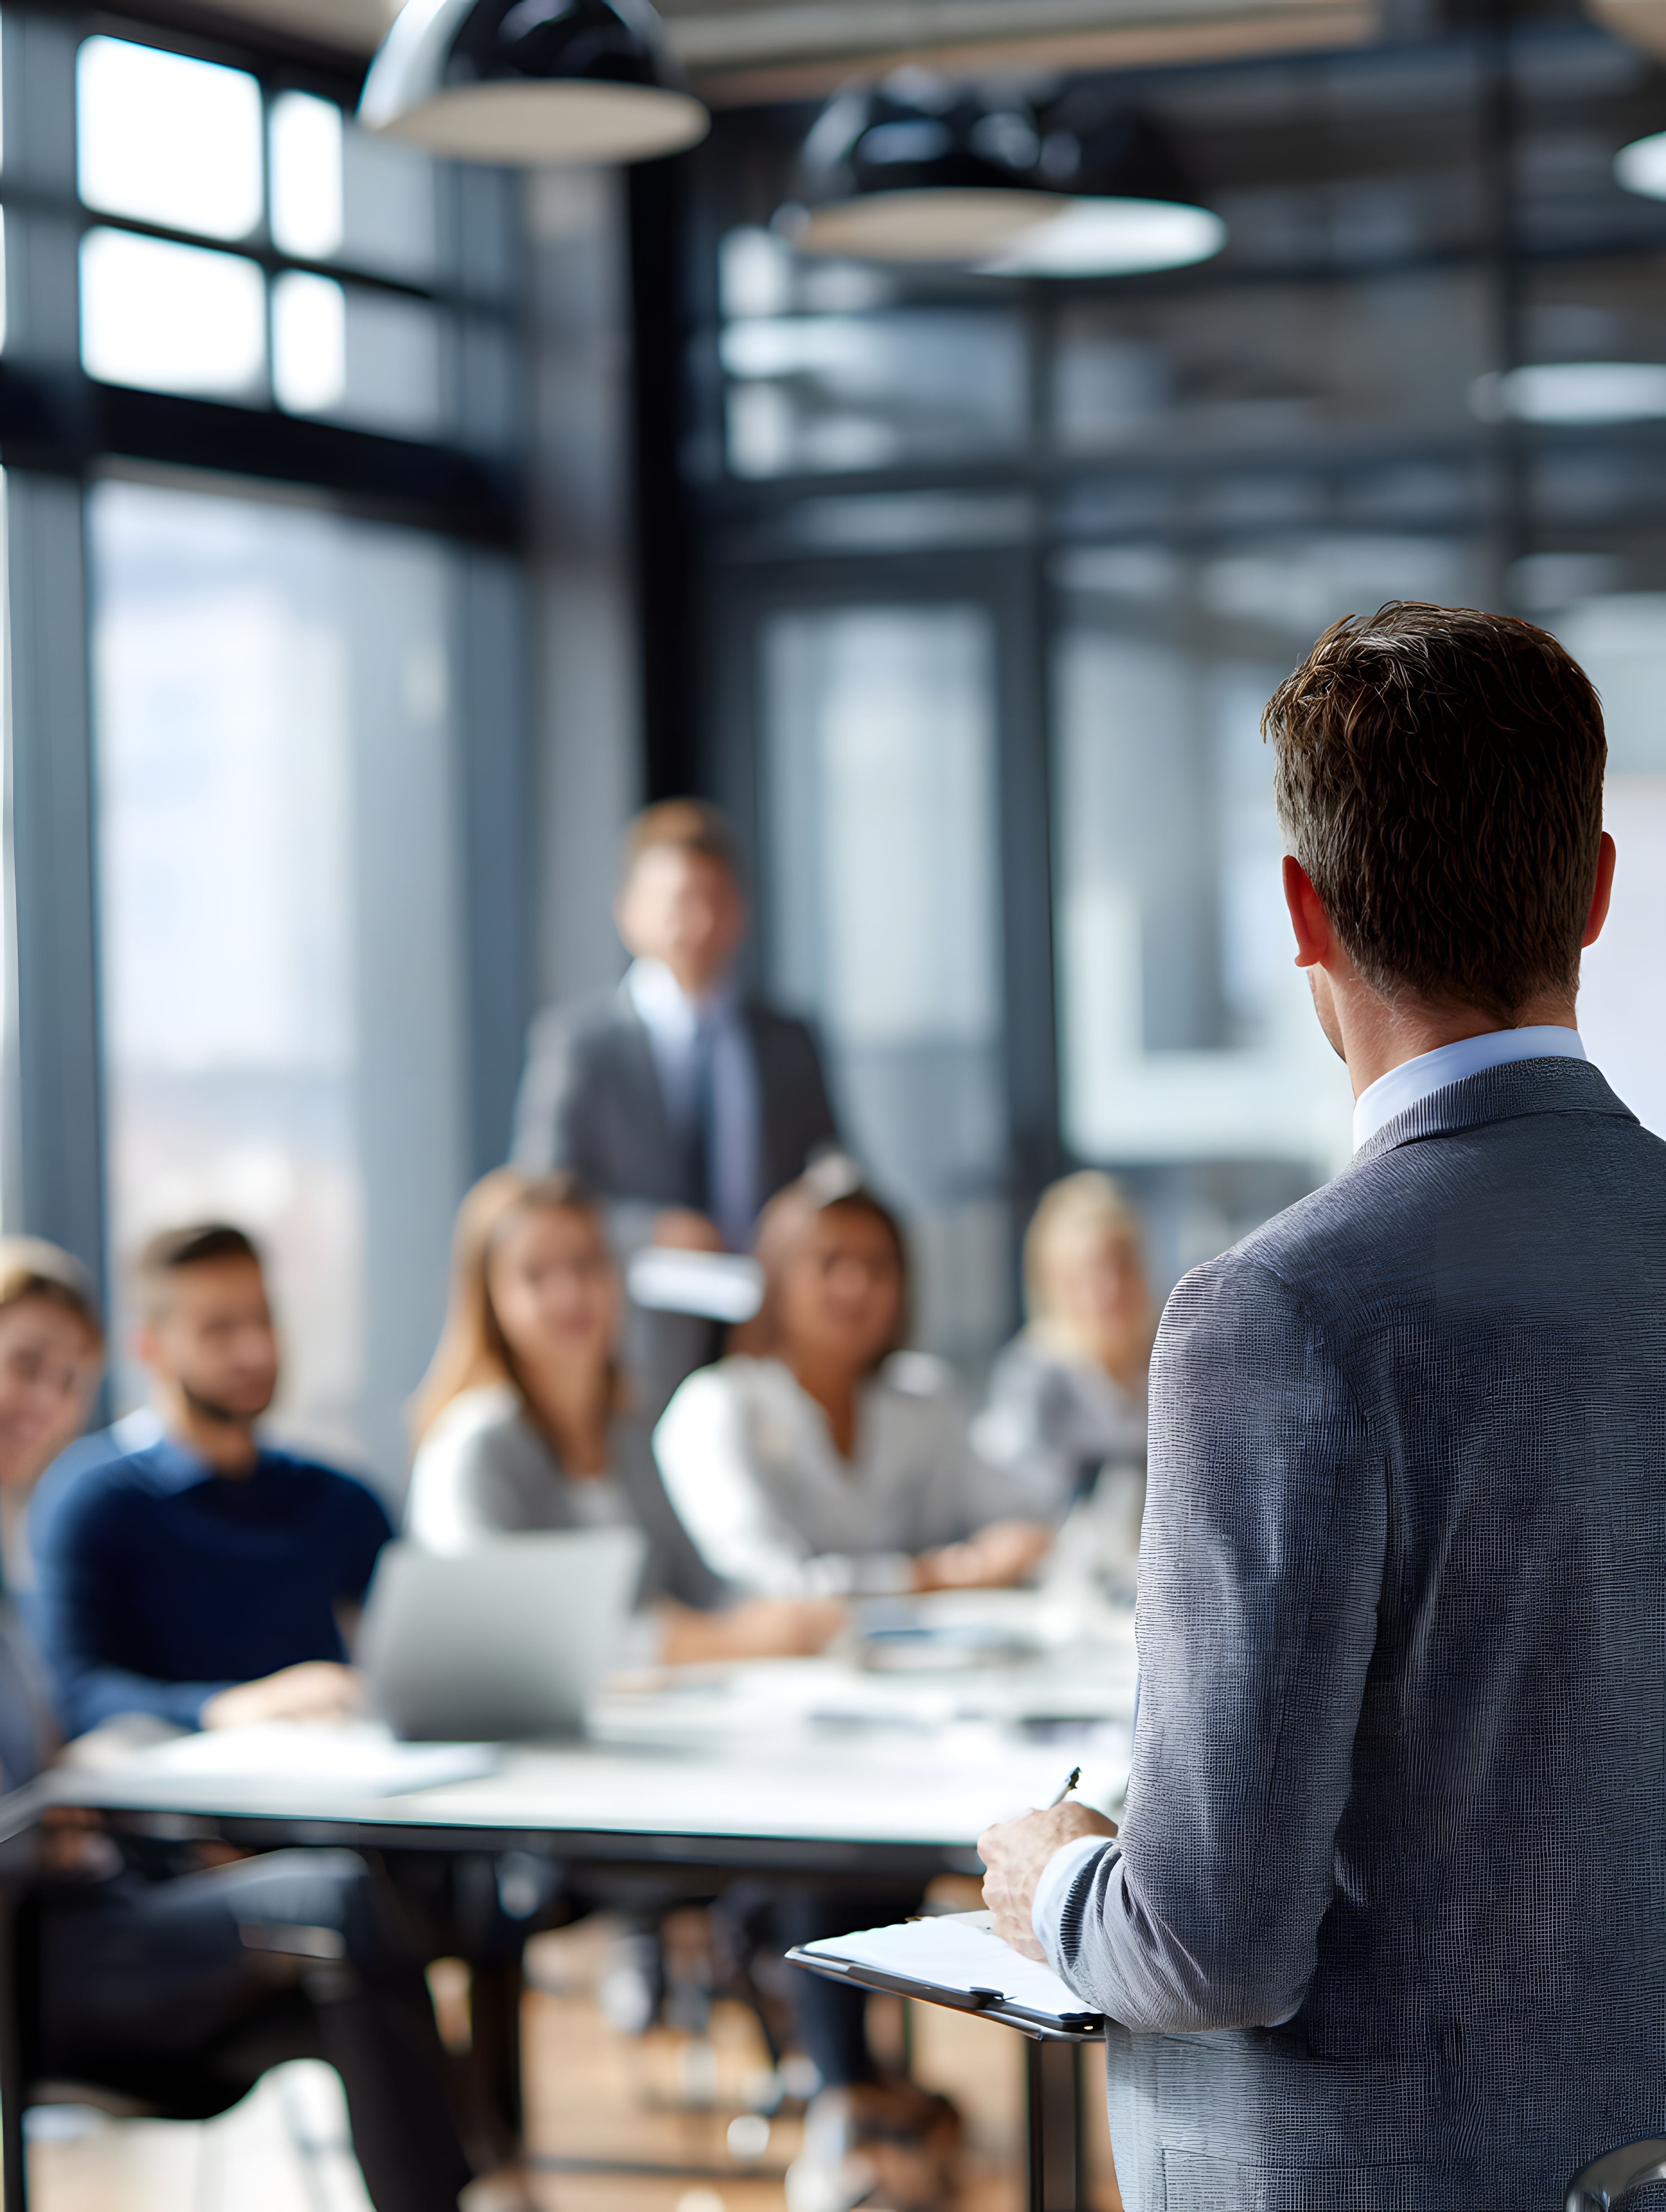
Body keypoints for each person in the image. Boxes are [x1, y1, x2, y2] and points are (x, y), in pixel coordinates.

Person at [978, 602, 1658, 2211]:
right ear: (1594, 889)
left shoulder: (1277, 1313)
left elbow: (1206, 1944)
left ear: (1301, 910)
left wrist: (1053, 1877)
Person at [0, 1236, 479, 2212]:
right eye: (23, 1365)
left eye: (66, 1377)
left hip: (113, 1889)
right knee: (336, 1900)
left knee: (367, 1945)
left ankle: (467, 2178)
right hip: (41, 1942)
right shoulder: (87, 1507)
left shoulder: (13, 1569)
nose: (44, 1399)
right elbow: (79, 1711)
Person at [405, 1167, 844, 1664]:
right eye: (536, 1275)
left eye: (587, 1264)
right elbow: (492, 1627)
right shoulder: (472, 1446)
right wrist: (701, 1642)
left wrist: (782, 1614)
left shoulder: (630, 1428)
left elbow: (701, 1587)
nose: (570, 1293)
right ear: (490, 1299)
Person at [511, 799, 840, 1406]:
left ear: (740, 912)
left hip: (768, 1324)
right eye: (677, 902)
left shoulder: (787, 1041)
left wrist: (808, 1215)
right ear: (629, 913)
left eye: (713, 900)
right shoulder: (581, 1044)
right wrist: (651, 1230)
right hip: (639, 1333)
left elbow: (831, 1160)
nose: (697, 922)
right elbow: (542, 1193)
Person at [29, 1224, 391, 1739]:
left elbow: (419, 1653)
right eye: (219, 1329)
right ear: (151, 1347)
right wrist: (227, 1708)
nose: (254, 1350)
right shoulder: (95, 1498)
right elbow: (77, 1693)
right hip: (171, 1780)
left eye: (262, 1319)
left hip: (339, 1772)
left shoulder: (339, 1499)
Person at [654, 1156, 1056, 1602]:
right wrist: (940, 1574)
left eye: (878, 1266)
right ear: (777, 1277)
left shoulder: (925, 1398)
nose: (856, 1285)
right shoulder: (715, 1407)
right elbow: (766, 1584)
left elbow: (1015, 1517)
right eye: (829, 1262)